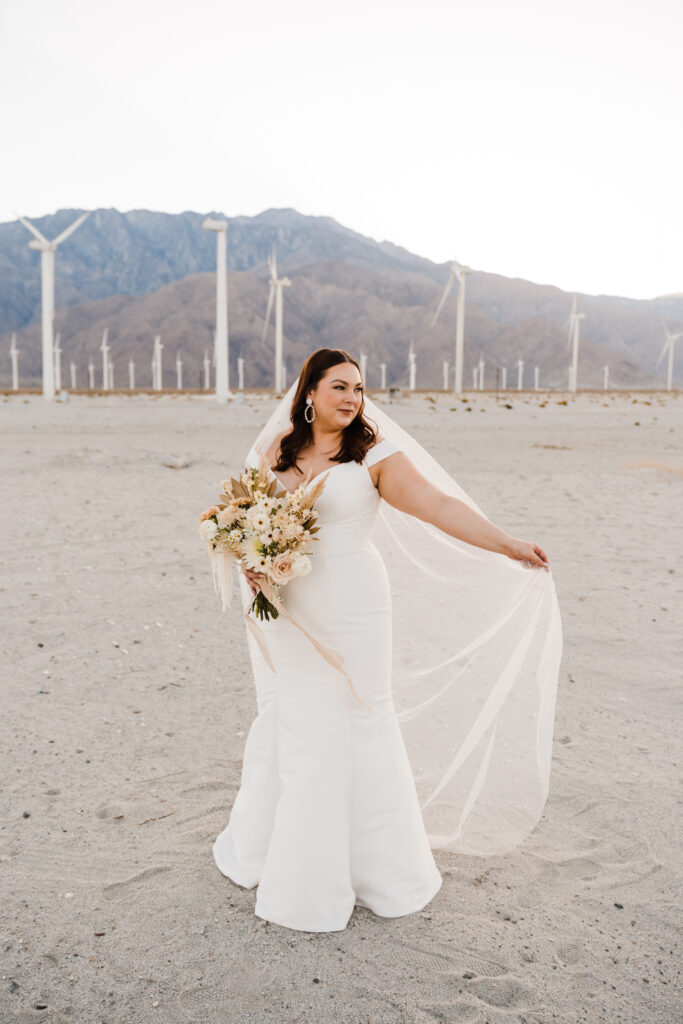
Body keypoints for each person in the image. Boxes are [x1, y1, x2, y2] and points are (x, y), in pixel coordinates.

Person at [210, 348, 562, 933]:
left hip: (355, 605)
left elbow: (437, 506)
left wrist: (508, 544)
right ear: (309, 393)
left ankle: (377, 868)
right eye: (340, 387)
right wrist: (250, 560)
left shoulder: (372, 453)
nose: (352, 398)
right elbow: (243, 518)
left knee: (358, 716)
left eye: (360, 389)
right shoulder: (275, 452)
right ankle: (290, 857)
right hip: (290, 604)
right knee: (297, 718)